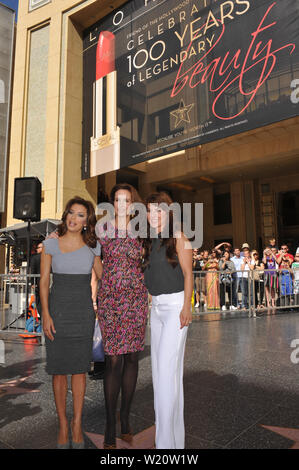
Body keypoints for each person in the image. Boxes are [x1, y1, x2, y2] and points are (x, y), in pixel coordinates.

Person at [40, 197, 102, 449]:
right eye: (72, 213)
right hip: (57, 311)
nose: (74, 219)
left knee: (79, 369)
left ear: (87, 222)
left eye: (81, 215)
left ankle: (77, 423)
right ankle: (63, 424)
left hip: (83, 313)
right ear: (66, 215)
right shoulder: (50, 244)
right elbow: (44, 282)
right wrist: (45, 313)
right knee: (58, 371)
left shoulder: (92, 247)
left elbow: (104, 276)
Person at [96, 183, 148, 449]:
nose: (122, 204)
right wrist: (94, 290)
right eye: (118, 200)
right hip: (110, 300)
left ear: (133, 203)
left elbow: (149, 262)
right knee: (113, 359)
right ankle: (109, 423)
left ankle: (125, 417)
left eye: (127, 200)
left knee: (131, 358)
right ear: (112, 203)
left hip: (136, 300)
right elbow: (93, 261)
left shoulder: (142, 230)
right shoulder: (102, 228)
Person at [143, 192, 192, 449]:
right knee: (163, 376)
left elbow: (188, 274)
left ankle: (164, 447)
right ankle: (173, 443)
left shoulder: (179, 238)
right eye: (150, 211)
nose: (153, 215)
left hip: (175, 309)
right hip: (157, 309)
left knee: (166, 375)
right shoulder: (150, 242)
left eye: (158, 210)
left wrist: (187, 307)